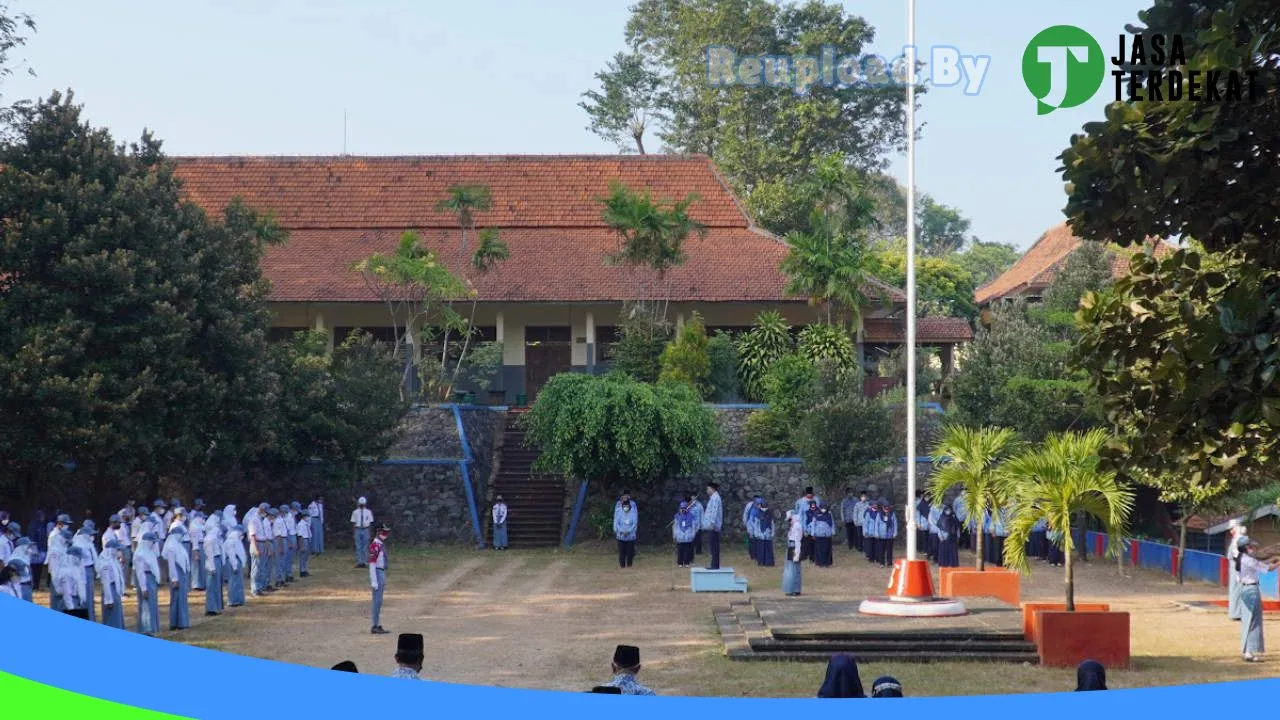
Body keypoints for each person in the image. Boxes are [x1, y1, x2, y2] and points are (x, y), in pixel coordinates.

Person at [1236, 536, 1279, 661]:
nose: (1253, 549)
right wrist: (1278, 562)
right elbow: (1269, 568)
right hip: (1251, 590)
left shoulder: (1241, 559)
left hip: (1244, 590)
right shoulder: (1249, 560)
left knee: (1247, 621)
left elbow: (1260, 563)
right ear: (1245, 548)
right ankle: (1249, 652)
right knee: (1253, 621)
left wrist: (1272, 559)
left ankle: (1247, 651)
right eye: (1250, 546)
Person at [162, 525, 192, 630]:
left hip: (182, 573)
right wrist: (174, 579)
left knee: (182, 598)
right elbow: (171, 565)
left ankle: (182, 621)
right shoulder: (171, 546)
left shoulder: (178, 545)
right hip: (176, 575)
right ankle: (176, 622)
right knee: (176, 598)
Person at [134, 532, 161, 635]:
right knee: (146, 604)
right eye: (152, 542)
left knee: (152, 603)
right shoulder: (140, 554)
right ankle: (146, 628)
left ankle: (152, 627)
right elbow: (140, 573)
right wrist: (143, 588)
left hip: (151, 578)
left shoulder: (150, 552)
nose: (154, 544)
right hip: (145, 579)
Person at [97, 540, 127, 629]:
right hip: (110, 592)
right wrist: (108, 600)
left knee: (117, 615)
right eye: (117, 549)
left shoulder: (113, 560)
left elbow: (118, 574)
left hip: (115, 590)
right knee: (112, 617)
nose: (119, 551)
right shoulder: (105, 563)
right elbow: (106, 583)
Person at [57, 545, 90, 619]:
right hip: (70, 603)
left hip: (77, 601)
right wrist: (71, 609)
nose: (80, 559)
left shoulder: (75, 569)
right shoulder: (65, 571)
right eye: (79, 557)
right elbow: (67, 593)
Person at [73, 525, 98, 622]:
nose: (92, 536)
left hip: (89, 569)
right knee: (83, 596)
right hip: (82, 570)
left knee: (89, 596)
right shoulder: (79, 545)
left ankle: (91, 618)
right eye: (90, 534)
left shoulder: (89, 543)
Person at [369, 525, 390, 635]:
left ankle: (376, 624)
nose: (385, 535)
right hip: (377, 572)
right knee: (377, 601)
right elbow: (372, 564)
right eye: (383, 532)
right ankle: (375, 625)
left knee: (379, 600)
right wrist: (374, 581)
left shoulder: (380, 544)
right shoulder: (375, 545)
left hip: (381, 571)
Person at [202, 513, 224, 616]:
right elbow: (210, 555)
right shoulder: (210, 540)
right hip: (213, 562)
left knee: (216, 585)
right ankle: (211, 608)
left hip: (217, 560)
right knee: (211, 586)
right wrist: (212, 567)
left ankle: (217, 607)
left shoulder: (216, 539)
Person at [223, 523, 247, 607]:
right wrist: (234, 565)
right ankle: (232, 600)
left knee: (238, 582)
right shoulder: (231, 541)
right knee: (233, 582)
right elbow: (231, 554)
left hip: (238, 561)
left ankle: (239, 599)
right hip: (233, 562)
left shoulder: (237, 540)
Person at [1228, 520, 1246, 621]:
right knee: (1236, 590)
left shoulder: (1238, 539)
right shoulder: (1235, 539)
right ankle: (1235, 613)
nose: (1231, 530)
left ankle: (1236, 613)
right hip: (1236, 566)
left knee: (1237, 590)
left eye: (1232, 528)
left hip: (1237, 566)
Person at [702, 483, 723, 570]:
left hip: (713, 526)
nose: (707, 491)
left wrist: (711, 524)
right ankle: (714, 564)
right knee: (713, 546)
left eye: (708, 489)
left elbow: (714, 512)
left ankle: (714, 565)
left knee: (714, 546)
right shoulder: (713, 498)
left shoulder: (715, 498)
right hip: (712, 525)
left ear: (712, 489)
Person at [613, 494, 638, 568]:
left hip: (631, 536)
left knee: (630, 552)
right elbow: (616, 522)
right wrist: (620, 531)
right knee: (622, 552)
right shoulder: (619, 511)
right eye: (624, 506)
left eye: (627, 506)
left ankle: (629, 565)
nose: (625, 508)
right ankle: (622, 566)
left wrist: (629, 531)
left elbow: (634, 523)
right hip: (621, 536)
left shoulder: (633, 512)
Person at [782, 511, 803, 597]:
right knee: (793, 568)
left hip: (794, 547)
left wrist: (797, 554)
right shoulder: (794, 525)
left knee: (792, 569)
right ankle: (795, 589)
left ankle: (792, 589)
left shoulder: (797, 526)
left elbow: (797, 541)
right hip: (791, 546)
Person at [673, 501, 696, 568]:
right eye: (681, 508)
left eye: (684, 508)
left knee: (687, 551)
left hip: (688, 537)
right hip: (680, 537)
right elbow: (675, 526)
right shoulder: (677, 516)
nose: (683, 509)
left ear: (687, 508)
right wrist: (675, 534)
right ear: (679, 508)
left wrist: (693, 534)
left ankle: (687, 562)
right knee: (680, 551)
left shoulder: (691, 516)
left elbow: (693, 526)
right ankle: (680, 562)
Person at [351, 497, 373, 568]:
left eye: (363, 504)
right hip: (358, 529)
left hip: (365, 529)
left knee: (365, 546)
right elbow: (354, 523)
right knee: (358, 546)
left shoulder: (368, 512)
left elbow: (370, 523)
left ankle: (365, 561)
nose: (362, 505)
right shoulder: (355, 512)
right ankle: (360, 562)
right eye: (361, 504)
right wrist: (354, 532)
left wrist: (369, 532)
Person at [752, 500, 775, 567]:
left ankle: (769, 562)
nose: (764, 509)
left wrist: (772, 533)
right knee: (761, 549)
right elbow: (756, 525)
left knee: (768, 549)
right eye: (763, 507)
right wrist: (756, 533)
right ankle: (761, 561)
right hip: (760, 534)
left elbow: (772, 524)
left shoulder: (770, 514)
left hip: (768, 534)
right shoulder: (757, 514)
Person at [876, 500, 898, 568]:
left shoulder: (892, 514)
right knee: (881, 550)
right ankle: (881, 563)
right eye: (885, 508)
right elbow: (877, 524)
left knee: (889, 550)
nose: (886, 510)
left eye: (887, 508)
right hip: (881, 535)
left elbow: (895, 524)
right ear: (882, 508)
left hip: (889, 535)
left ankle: (889, 563)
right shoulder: (879, 514)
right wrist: (876, 533)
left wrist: (895, 532)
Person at [296, 510, 312, 577]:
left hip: (307, 539)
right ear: (304, 516)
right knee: (302, 557)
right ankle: (302, 571)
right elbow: (300, 536)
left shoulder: (306, 524)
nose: (308, 517)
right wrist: (301, 545)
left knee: (306, 557)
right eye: (307, 516)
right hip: (303, 540)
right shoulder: (301, 524)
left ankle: (305, 570)